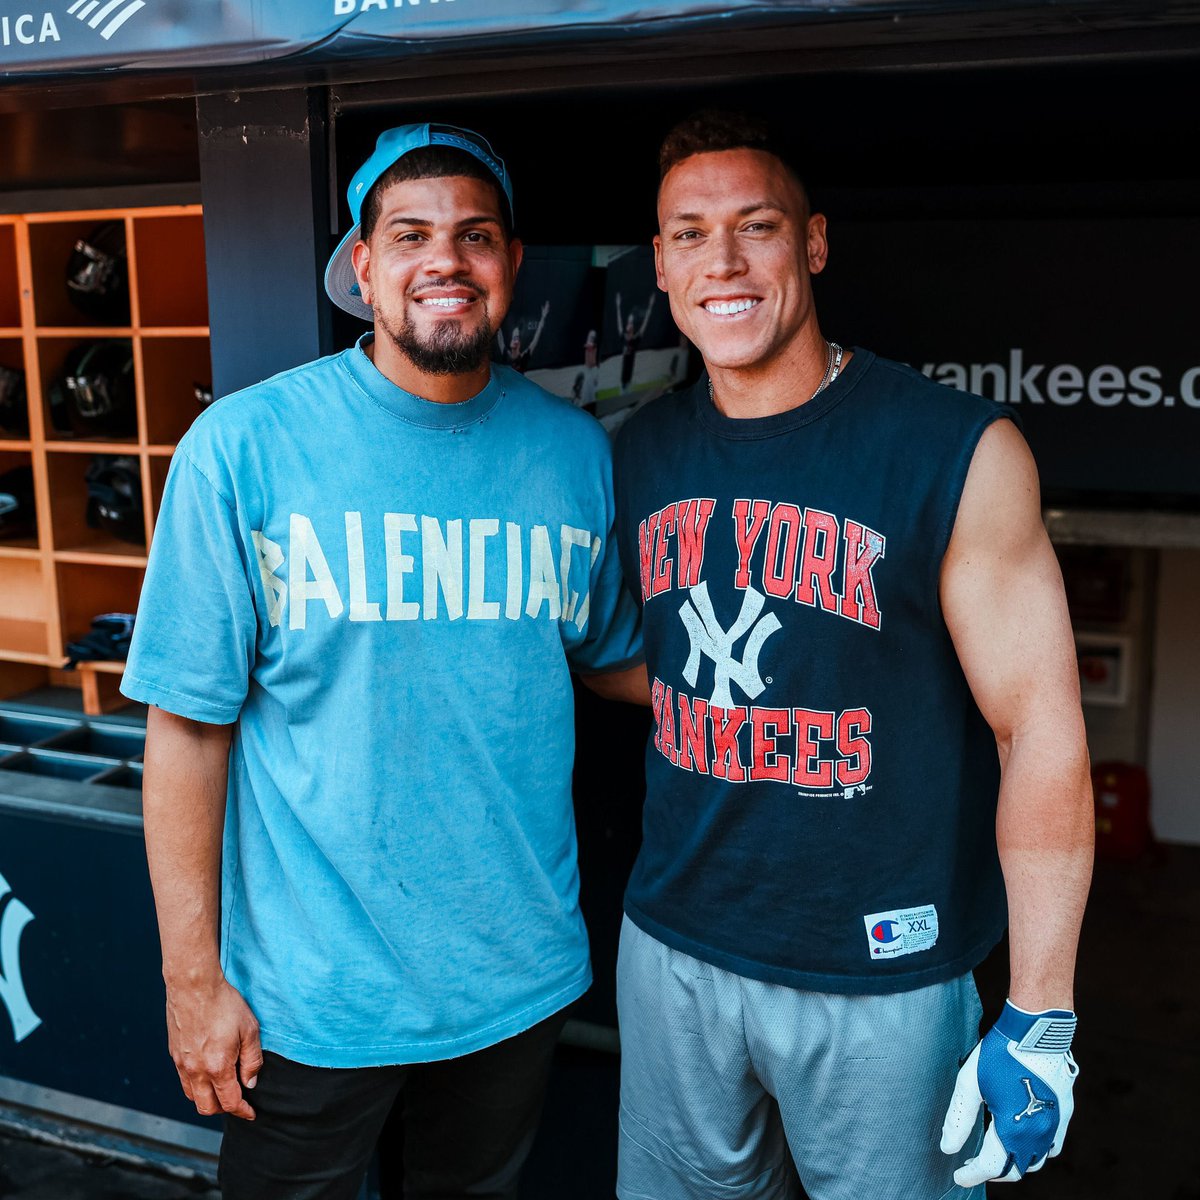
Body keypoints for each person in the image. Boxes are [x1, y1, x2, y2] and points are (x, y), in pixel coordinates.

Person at [122, 122, 644, 1200]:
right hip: (309, 1000)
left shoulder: (573, 453)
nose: (445, 259)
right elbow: (186, 729)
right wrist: (191, 981)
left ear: (512, 263)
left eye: (475, 235)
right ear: (362, 269)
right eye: (409, 235)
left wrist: (822, 669)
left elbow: (610, 659)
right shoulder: (245, 447)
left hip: (514, 982)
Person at [610, 110, 1093, 1200]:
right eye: (689, 234)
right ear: (661, 264)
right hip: (673, 947)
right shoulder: (643, 450)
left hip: (885, 976)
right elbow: (635, 660)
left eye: (757, 226)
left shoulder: (953, 449)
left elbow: (1038, 728)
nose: (723, 262)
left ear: (814, 243)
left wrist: (1042, 1013)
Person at [615, 290, 655, 393]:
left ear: (633, 327)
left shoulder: (636, 339)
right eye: (629, 322)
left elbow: (645, 322)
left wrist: (650, 306)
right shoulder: (623, 337)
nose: (629, 324)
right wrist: (618, 305)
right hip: (621, 379)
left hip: (629, 380)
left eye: (631, 322)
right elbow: (619, 321)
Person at [497, 298, 551, 373]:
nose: (516, 340)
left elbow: (536, 336)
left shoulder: (524, 357)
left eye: (517, 338)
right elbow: (499, 331)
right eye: (514, 338)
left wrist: (543, 317)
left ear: (520, 344)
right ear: (510, 342)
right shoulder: (505, 354)